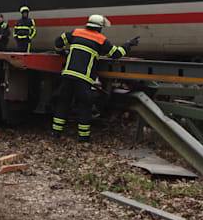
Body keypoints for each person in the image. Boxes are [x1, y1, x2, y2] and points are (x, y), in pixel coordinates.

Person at [51, 15, 138, 143]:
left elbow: (58, 41)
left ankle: (56, 133)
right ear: (99, 28)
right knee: (84, 106)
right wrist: (128, 45)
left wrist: (60, 52)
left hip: (68, 76)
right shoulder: (100, 39)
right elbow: (116, 54)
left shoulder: (75, 32)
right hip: (83, 79)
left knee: (63, 103)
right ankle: (83, 137)